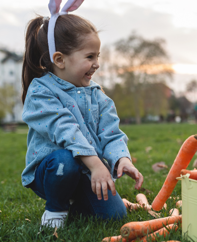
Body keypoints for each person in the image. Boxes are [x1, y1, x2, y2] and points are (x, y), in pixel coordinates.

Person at [20, 0, 143, 228]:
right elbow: (65, 129)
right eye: (89, 57)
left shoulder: (98, 95)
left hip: (87, 172)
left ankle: (75, 204)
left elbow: (111, 133)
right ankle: (56, 209)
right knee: (65, 160)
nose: (96, 64)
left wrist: (122, 158)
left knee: (114, 216)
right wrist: (97, 165)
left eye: (98, 56)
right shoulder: (40, 91)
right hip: (52, 172)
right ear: (60, 59)